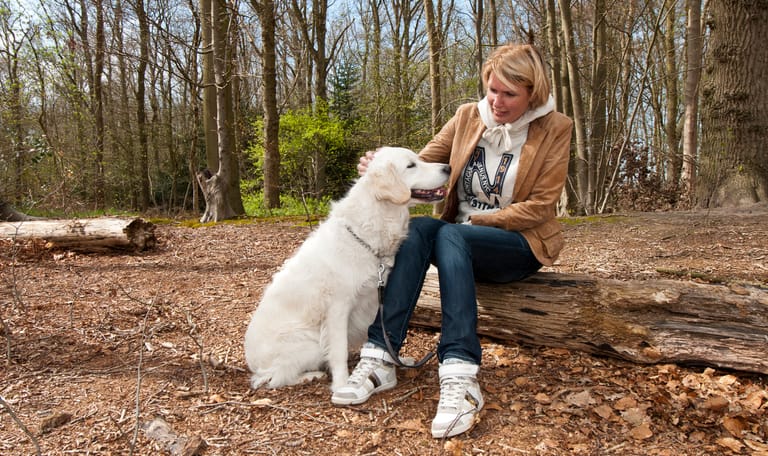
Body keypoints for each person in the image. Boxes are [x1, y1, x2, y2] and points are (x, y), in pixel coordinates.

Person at [331, 43, 573, 439]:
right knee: (424, 230)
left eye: (510, 94)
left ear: (533, 92)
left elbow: (542, 206)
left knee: (449, 234)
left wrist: (476, 219)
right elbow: (419, 166)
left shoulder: (555, 128)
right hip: (454, 242)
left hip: (517, 244)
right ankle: (380, 357)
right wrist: (381, 168)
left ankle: (461, 374)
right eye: (492, 89)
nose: (497, 101)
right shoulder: (467, 117)